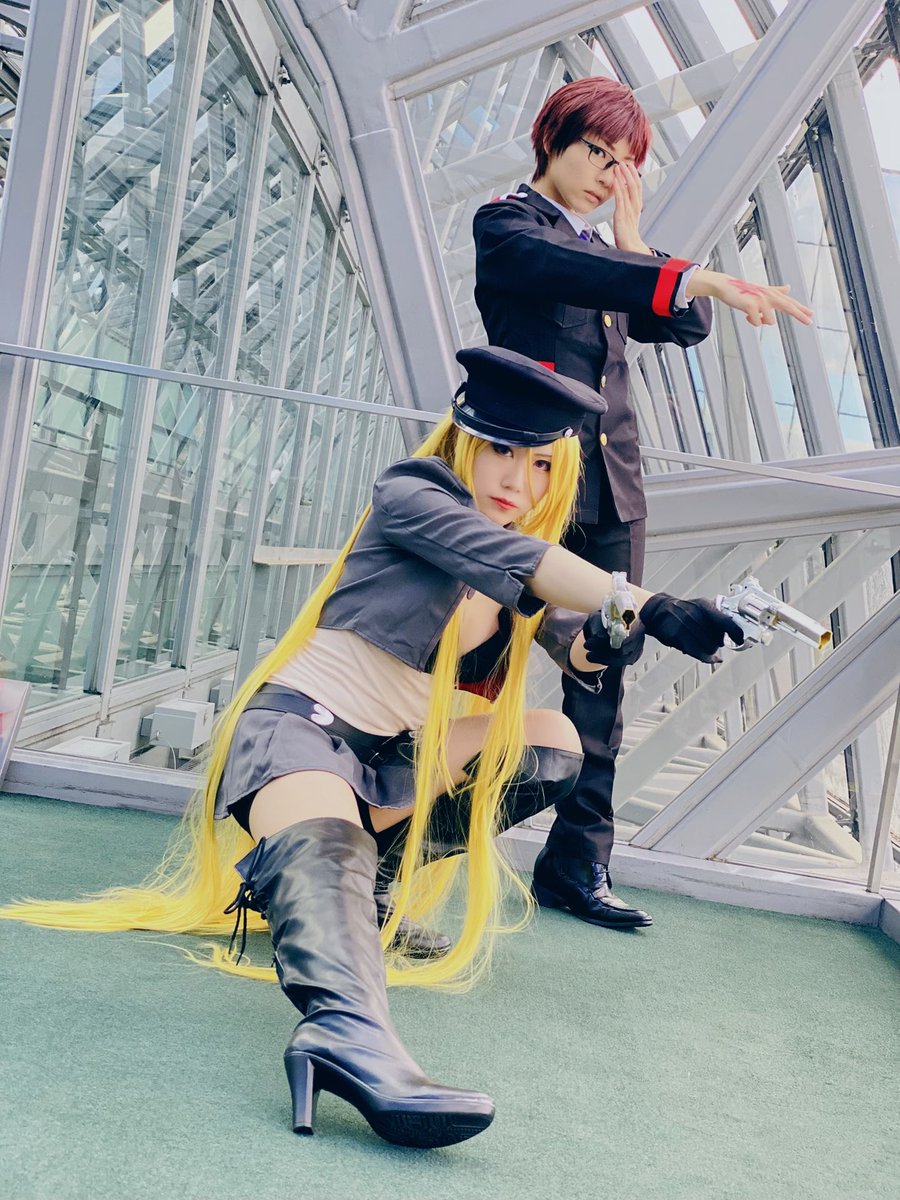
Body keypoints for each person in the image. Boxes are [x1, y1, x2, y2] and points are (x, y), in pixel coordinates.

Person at [0, 347, 743, 1149]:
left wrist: (622, 627)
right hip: (298, 735)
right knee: (327, 843)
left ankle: (373, 893)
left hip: (390, 760)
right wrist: (648, 600)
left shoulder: (528, 567)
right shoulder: (413, 493)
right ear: (463, 438)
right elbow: (525, 561)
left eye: (540, 465)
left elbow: (580, 650)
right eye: (501, 449)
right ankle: (347, 1038)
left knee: (552, 743)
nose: (517, 480)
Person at [472, 76, 814, 930]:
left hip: (611, 492)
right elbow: (579, 272)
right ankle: (427, 836)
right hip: (524, 486)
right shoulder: (508, 227)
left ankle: (576, 865)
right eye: (597, 153)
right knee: (480, 658)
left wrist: (637, 241)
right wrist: (686, 273)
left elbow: (683, 325)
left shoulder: (608, 250)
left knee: (604, 674)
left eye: (624, 164)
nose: (608, 175)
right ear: (552, 139)